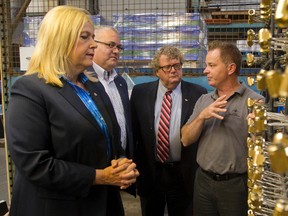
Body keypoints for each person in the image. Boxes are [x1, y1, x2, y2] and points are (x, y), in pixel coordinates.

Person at [5, 6, 139, 216]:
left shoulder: (93, 87)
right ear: (60, 40)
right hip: (58, 207)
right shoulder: (30, 90)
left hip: (103, 203)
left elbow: (109, 138)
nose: (93, 44)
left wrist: (121, 162)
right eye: (85, 37)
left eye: (93, 37)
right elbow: (35, 164)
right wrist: (100, 176)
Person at [181, 40, 264, 216]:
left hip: (235, 186)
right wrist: (202, 117)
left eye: (211, 65)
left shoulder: (255, 102)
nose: (205, 71)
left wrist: (257, 131)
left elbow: (262, 152)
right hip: (203, 181)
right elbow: (185, 139)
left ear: (230, 68)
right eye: (206, 65)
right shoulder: (204, 100)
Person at [130, 45, 207, 216]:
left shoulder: (197, 93)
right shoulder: (140, 93)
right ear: (157, 71)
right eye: (168, 67)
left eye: (177, 66)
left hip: (183, 173)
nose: (173, 70)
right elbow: (134, 133)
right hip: (151, 171)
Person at [88, 25, 133, 159]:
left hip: (123, 161)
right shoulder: (82, 81)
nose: (116, 51)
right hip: (98, 165)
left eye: (118, 47)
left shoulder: (120, 83)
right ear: (93, 45)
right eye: (110, 45)